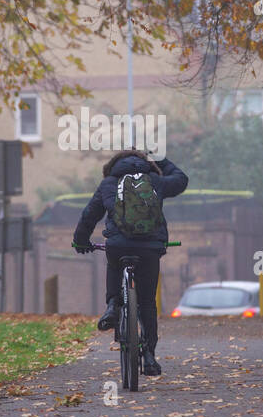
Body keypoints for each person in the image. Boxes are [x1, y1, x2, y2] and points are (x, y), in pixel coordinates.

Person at [72, 149, 188, 376]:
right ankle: (149, 357)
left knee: (115, 261)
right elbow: (181, 180)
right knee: (146, 303)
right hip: (150, 248)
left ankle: (112, 306)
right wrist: (160, 159)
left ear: (113, 165)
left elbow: (89, 215)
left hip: (119, 245)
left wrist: (81, 241)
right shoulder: (155, 181)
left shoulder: (109, 183)